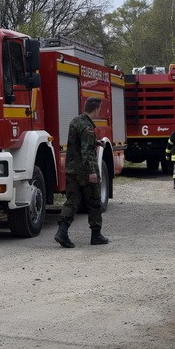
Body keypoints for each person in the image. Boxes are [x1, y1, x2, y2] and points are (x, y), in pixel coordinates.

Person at [55, 96, 109, 248]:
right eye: (99, 109)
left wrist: (96, 142)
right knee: (94, 202)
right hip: (85, 171)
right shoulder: (88, 128)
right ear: (96, 109)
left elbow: (77, 143)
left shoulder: (76, 121)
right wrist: (92, 172)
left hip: (71, 169)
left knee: (72, 201)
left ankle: (62, 232)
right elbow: (86, 152)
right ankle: (96, 235)